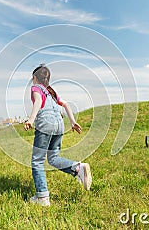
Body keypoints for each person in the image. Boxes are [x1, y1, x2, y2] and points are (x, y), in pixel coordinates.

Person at [24, 64, 92, 206]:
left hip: (46, 125)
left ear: (34, 78)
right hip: (59, 126)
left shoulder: (36, 88)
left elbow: (37, 102)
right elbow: (66, 105)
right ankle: (78, 167)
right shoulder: (52, 92)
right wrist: (73, 122)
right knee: (53, 158)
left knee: (37, 161)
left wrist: (30, 120)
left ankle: (42, 197)